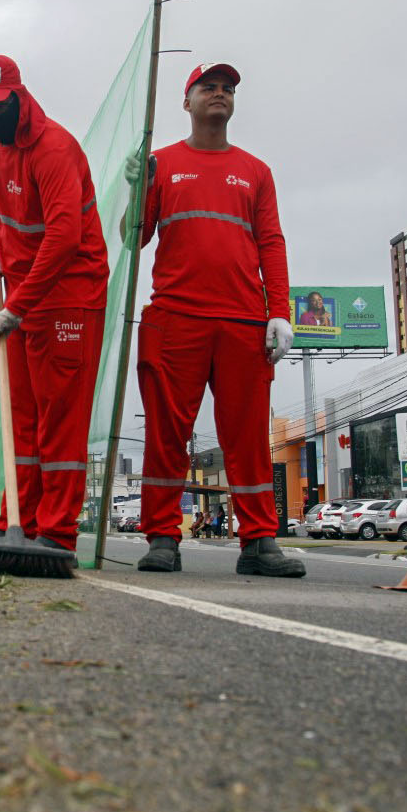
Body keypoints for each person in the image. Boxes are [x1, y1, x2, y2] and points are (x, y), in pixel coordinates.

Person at [123, 63, 303, 577]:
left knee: (246, 436)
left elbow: (272, 242)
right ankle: (162, 538)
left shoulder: (256, 171)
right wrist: (135, 191)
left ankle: (260, 542)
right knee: (165, 434)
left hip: (243, 321)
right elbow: (132, 239)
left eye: (227, 89)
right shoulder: (161, 163)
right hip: (175, 318)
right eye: (209, 87)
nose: (219, 94)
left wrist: (280, 314)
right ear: (187, 101)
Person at [0, 53, 109, 552]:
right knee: (20, 413)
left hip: (69, 291)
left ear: (17, 97)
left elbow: (66, 237)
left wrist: (16, 308)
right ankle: (14, 525)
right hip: (24, 292)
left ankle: (57, 533)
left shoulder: (54, 150)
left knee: (59, 416)